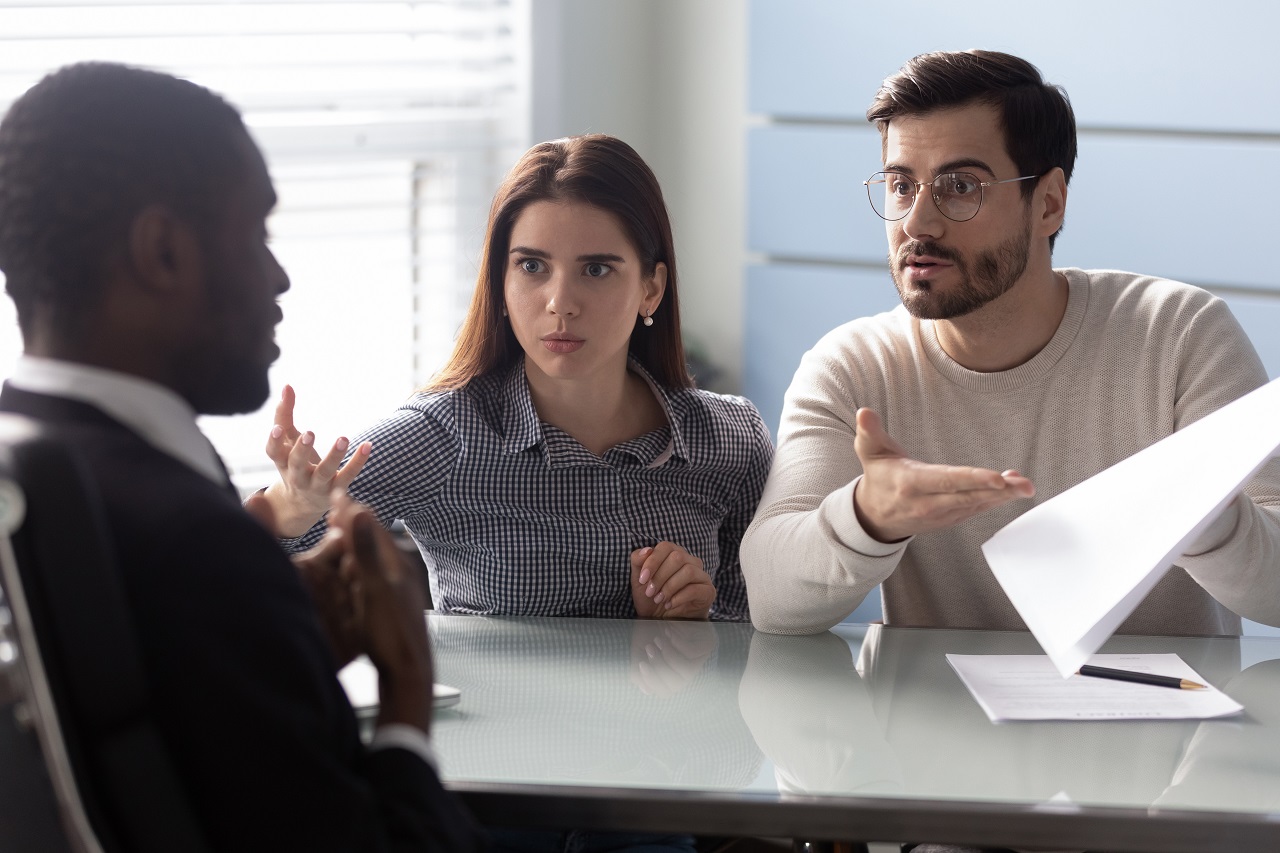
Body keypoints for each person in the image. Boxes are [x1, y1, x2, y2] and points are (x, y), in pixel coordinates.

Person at [0, 62, 482, 852]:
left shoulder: (40, 475)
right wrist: (406, 693)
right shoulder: (195, 545)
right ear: (162, 251)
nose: (279, 276)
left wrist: (280, 642)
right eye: (257, 232)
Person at [740, 49, 1280, 637]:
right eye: (901, 185)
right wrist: (868, 518)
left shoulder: (1178, 335)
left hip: (1163, 718)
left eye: (961, 185)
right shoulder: (852, 366)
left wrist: (1210, 519)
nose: (918, 222)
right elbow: (770, 599)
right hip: (938, 724)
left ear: (1048, 203)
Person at [248, 134, 773, 623]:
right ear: (499, 282)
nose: (559, 303)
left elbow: (763, 644)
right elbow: (240, 559)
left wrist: (685, 626)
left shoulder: (731, 441)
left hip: (673, 724)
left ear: (651, 289)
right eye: (531, 267)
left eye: (596, 269)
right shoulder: (444, 434)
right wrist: (291, 511)